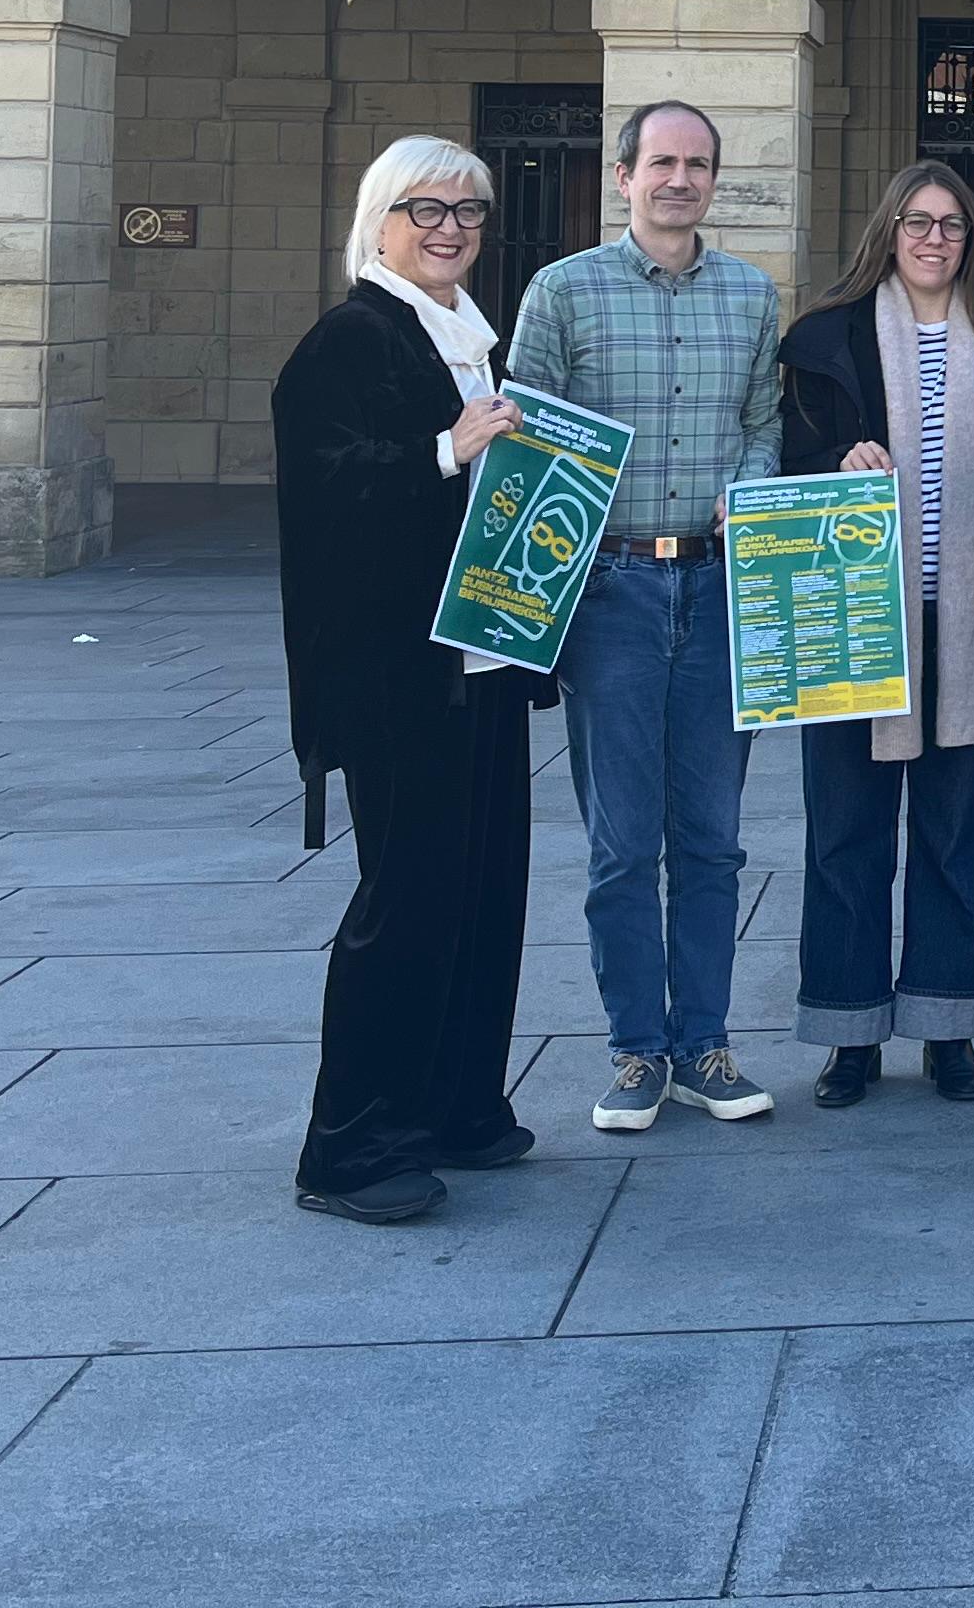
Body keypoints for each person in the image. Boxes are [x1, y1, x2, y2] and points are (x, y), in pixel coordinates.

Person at [272, 137, 548, 1223]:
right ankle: (350, 1148)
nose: (450, 229)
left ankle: (455, 1106)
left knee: (483, 891)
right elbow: (323, 491)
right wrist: (445, 449)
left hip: (480, 659)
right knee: (406, 900)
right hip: (398, 673)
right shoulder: (352, 336)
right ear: (380, 218)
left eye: (469, 212)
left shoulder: (467, 334)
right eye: (426, 209)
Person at [508, 98, 783, 1130]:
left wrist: (750, 485)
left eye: (697, 164)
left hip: (718, 587)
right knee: (623, 844)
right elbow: (526, 431)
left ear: (713, 179)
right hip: (609, 591)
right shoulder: (562, 291)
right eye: (661, 162)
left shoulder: (752, 294)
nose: (680, 180)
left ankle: (705, 1045)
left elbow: (763, 422)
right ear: (622, 175)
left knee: (712, 841)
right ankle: (636, 1049)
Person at [777, 161, 974, 1109]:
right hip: (854, 615)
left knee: (956, 827)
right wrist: (832, 462)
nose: (934, 239)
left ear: (973, 238)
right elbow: (783, 458)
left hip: (970, 617)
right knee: (845, 831)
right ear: (888, 231)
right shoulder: (825, 336)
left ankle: (947, 1023)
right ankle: (848, 1033)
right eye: (918, 222)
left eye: (953, 224)